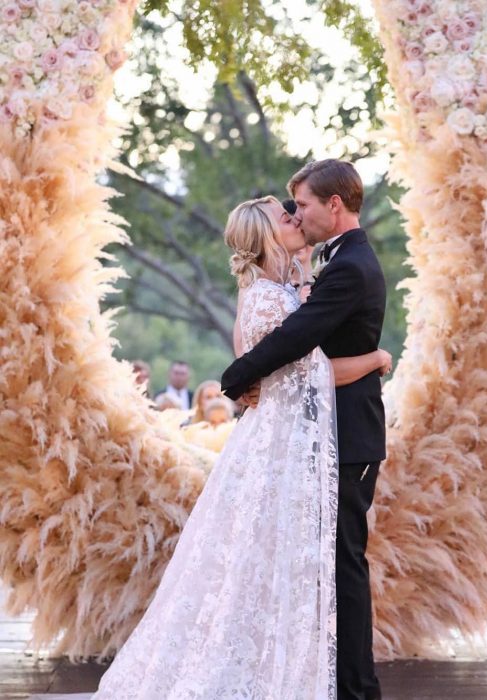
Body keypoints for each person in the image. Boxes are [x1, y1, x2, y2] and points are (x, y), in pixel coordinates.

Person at [30, 193, 389, 700]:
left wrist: (302, 272)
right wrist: (375, 357)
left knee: (270, 564)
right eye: (282, 215)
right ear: (263, 235)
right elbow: (309, 378)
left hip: (284, 444)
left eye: (294, 209)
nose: (292, 216)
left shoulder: (279, 288)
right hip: (279, 451)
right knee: (275, 562)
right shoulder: (269, 297)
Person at [221, 160, 387, 700]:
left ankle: (357, 691)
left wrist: (240, 376)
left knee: (344, 567)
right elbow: (288, 342)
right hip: (324, 437)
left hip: (349, 439)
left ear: (333, 205)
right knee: (330, 568)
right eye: (290, 209)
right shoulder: (323, 265)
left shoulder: (348, 266)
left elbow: (298, 342)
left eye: (305, 205)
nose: (298, 214)